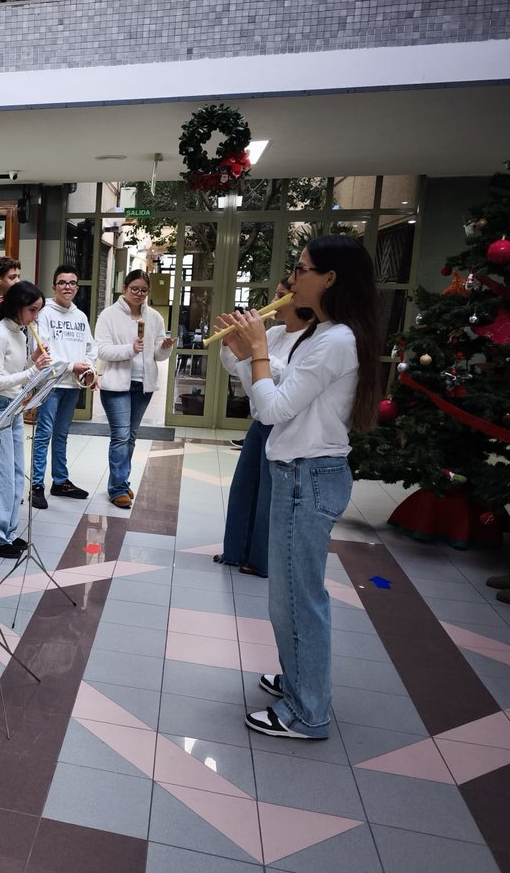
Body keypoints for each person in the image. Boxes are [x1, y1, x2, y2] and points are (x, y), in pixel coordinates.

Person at [219, 235, 378, 740]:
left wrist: (259, 349)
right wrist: (248, 354)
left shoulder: (336, 339)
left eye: (304, 269)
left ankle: (307, 711)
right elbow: (280, 388)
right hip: (301, 474)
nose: (295, 278)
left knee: (296, 599)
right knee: (289, 597)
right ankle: (298, 679)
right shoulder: (326, 334)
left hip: (308, 476)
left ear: (330, 279)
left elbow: (272, 410)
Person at [214, 279, 307, 579]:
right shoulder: (275, 332)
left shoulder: (312, 339)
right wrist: (236, 345)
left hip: (285, 424)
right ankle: (236, 551)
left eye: (281, 296)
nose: (274, 300)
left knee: (269, 494)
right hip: (260, 420)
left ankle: (260, 559)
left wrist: (256, 351)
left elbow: (281, 378)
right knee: (244, 486)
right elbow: (243, 371)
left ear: (297, 299)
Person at [0, 281, 50, 558]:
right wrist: (32, 371)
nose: (35, 317)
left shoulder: (20, 333)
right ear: (17, 306)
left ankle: (8, 531)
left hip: (14, 405)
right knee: (0, 475)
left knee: (16, 473)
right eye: (32, 310)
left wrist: (30, 364)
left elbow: (13, 372)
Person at [94, 270, 174, 509]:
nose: (139, 294)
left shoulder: (155, 317)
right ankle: (117, 488)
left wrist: (165, 347)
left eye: (143, 290)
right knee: (120, 436)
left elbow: (157, 355)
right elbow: (102, 350)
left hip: (143, 384)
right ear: (124, 288)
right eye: (134, 289)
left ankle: (121, 479)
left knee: (130, 436)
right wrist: (130, 349)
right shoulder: (109, 315)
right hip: (116, 384)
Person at [31, 264, 97, 509]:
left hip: (73, 385)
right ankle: (37, 485)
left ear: (77, 288)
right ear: (54, 286)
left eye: (71, 283)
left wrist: (89, 368)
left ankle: (60, 481)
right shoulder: (44, 313)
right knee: (43, 435)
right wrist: (71, 366)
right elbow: (42, 349)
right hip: (51, 382)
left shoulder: (80, 316)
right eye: (62, 282)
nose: (67, 287)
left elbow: (90, 348)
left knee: (61, 434)